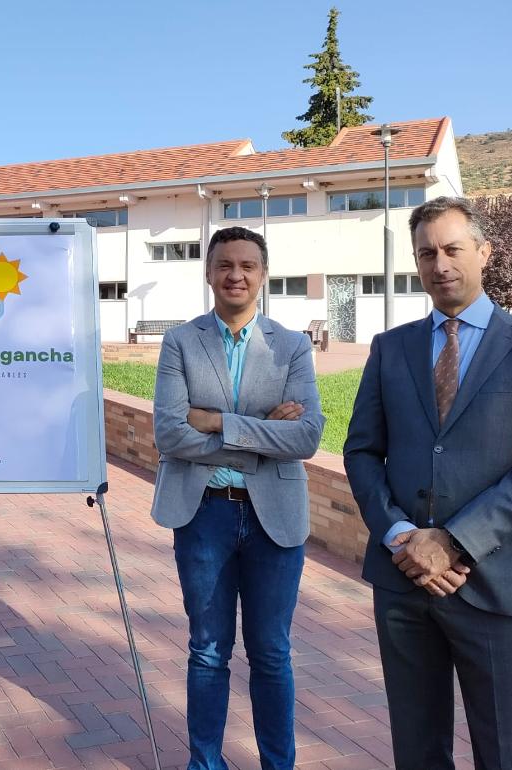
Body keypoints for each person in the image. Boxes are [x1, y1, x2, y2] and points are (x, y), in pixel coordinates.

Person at [344, 196, 512, 769]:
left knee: (509, 753)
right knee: (417, 750)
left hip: (497, 582)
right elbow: (362, 451)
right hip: (404, 585)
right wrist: (401, 533)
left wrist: (451, 541)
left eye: (452, 249)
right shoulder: (390, 348)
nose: (440, 264)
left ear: (483, 252)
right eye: (427, 253)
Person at [150, 226, 324, 769]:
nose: (236, 275)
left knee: (271, 653)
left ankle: (279, 763)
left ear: (262, 275)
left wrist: (217, 424)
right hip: (203, 514)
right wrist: (258, 432)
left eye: (247, 266)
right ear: (208, 273)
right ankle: (205, 763)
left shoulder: (292, 346)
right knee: (207, 650)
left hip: (275, 517)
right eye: (225, 265)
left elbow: (307, 437)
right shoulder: (180, 342)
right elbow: (170, 435)